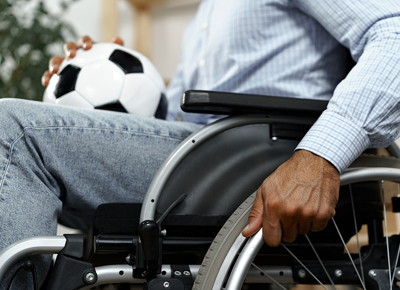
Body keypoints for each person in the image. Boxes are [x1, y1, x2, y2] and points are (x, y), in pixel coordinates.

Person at [1, 0, 400, 288]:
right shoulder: (207, 14)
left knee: (14, 131)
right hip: (205, 153)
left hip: (257, 159)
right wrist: (100, 77)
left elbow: (394, 35)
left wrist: (322, 155)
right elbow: (187, 118)